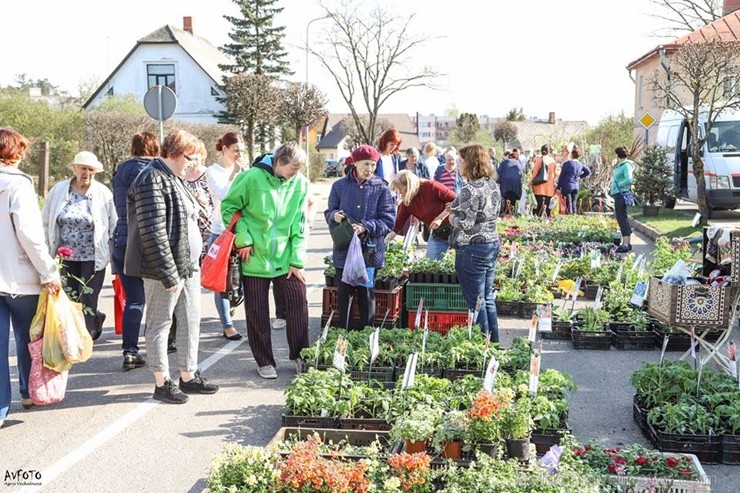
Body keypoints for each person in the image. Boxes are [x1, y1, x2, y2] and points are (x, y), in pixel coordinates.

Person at [126, 128, 219, 404]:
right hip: (162, 270)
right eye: (190, 157)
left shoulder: (175, 177)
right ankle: (162, 381)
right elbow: (152, 232)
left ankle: (188, 375)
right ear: (176, 153)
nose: (193, 163)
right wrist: (168, 274)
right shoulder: (151, 179)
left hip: (187, 266)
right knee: (160, 324)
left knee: (191, 320)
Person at [221, 142, 310, 380]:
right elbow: (229, 208)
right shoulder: (250, 178)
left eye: (300, 169)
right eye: (293, 168)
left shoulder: (300, 183)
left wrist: (297, 260)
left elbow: (300, 223)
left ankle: (300, 355)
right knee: (257, 311)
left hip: (286, 258)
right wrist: (243, 239)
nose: (296, 173)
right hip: (253, 256)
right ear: (279, 162)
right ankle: (264, 360)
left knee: (298, 302)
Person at [0, 127, 62, 428]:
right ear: (15, 152)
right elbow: (29, 233)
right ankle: (28, 392)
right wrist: (48, 271)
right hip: (20, 278)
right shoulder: (18, 184)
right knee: (28, 337)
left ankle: (0, 408)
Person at [42, 151, 116, 341]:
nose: (87, 173)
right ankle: (72, 336)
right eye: (83, 168)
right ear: (75, 168)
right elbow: (46, 221)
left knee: (88, 299)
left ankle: (86, 338)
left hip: (93, 256)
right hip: (64, 256)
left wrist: (113, 252)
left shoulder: (102, 193)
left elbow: (113, 224)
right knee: (68, 298)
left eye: (91, 169)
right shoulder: (59, 190)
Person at [325, 145, 395, 331]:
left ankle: (365, 336)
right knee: (344, 296)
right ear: (354, 163)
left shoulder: (381, 187)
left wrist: (365, 226)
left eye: (373, 165)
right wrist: (334, 216)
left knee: (366, 297)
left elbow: (388, 221)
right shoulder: (339, 186)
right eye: (366, 164)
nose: (370, 169)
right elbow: (329, 211)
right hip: (344, 250)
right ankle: (343, 337)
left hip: (369, 252)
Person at [111, 131, 159, 371]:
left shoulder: (120, 171)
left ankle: (130, 351)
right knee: (158, 298)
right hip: (147, 239)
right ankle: (160, 346)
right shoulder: (155, 170)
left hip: (121, 237)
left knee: (134, 299)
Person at [450, 144, 502, 344]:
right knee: (487, 298)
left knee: (476, 302)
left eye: (461, 160)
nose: (458, 164)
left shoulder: (469, 188)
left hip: (472, 247)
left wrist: (451, 219)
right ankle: (494, 344)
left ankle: (483, 346)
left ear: (468, 162)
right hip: (491, 243)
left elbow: (466, 223)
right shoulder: (491, 184)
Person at [205, 132, 244, 341]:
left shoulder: (243, 170)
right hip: (221, 231)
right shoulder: (212, 171)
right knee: (222, 281)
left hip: (242, 230)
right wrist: (235, 175)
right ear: (225, 149)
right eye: (236, 149)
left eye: (241, 150)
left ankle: (232, 304)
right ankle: (227, 325)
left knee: (240, 280)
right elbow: (223, 195)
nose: (239, 154)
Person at [386, 170, 456, 260]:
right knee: (431, 265)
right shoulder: (407, 202)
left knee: (461, 264)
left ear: (409, 186)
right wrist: (385, 241)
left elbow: (456, 200)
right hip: (439, 233)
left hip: (456, 229)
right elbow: (398, 226)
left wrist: (440, 217)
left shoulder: (430, 186)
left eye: (400, 189)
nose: (399, 193)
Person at [610, 146, 635, 253]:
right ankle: (627, 242)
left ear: (617, 155)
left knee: (622, 218)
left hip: (621, 194)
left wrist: (620, 184)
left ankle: (625, 243)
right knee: (622, 217)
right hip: (618, 194)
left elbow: (629, 179)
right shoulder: (622, 165)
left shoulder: (625, 166)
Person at [556, 144, 591, 214]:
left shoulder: (567, 164)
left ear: (571, 154)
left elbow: (561, 177)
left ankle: (569, 218)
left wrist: (558, 187)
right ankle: (574, 216)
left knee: (568, 204)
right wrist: (580, 177)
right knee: (573, 203)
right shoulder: (580, 164)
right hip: (576, 186)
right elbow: (588, 171)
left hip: (567, 186)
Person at [530, 144, 558, 217]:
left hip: (539, 188)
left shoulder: (539, 160)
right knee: (547, 209)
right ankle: (546, 223)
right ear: (549, 151)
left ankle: (536, 224)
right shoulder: (553, 161)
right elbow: (555, 174)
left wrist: (529, 182)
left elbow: (535, 173)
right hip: (549, 189)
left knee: (538, 209)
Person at [497, 148, 523, 214]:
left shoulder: (503, 162)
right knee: (513, 197)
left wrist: (498, 182)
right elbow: (521, 173)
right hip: (515, 184)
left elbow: (499, 172)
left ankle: (506, 211)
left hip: (506, 184)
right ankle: (511, 211)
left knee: (506, 197)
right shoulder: (518, 163)